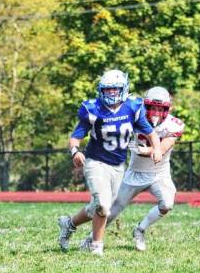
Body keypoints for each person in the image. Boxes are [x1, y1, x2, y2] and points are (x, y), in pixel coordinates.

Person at [57, 69, 162, 255]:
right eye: (107, 90)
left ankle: (69, 224)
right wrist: (75, 151)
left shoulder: (133, 107)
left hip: (118, 166)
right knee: (103, 205)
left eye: (115, 89)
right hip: (95, 163)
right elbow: (75, 136)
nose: (111, 93)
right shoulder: (93, 109)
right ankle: (96, 246)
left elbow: (150, 133)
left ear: (124, 89)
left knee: (96, 207)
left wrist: (157, 149)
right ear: (101, 90)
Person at [79, 86, 184, 251]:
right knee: (111, 211)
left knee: (167, 204)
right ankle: (91, 239)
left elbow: (162, 150)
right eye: (152, 107)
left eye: (160, 108)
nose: (156, 111)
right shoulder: (134, 118)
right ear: (145, 106)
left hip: (159, 174)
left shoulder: (173, 125)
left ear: (167, 109)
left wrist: (144, 150)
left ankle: (140, 229)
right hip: (134, 173)